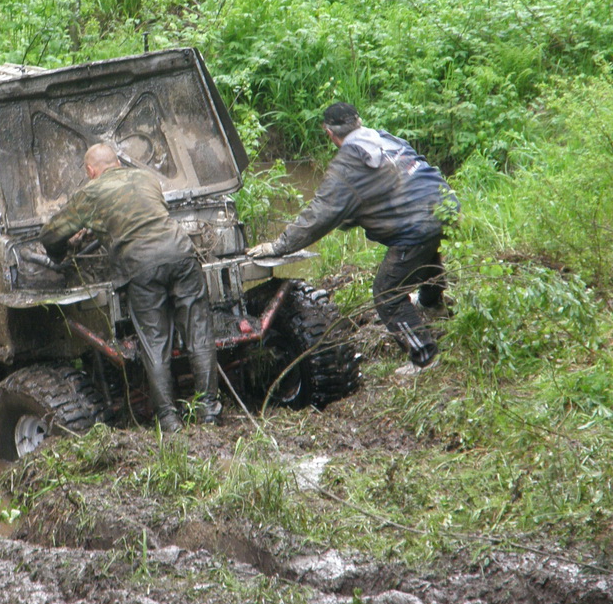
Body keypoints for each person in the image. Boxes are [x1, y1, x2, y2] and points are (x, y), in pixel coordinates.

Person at [248, 102, 459, 375]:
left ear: (328, 133)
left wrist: (278, 246)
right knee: (425, 250)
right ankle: (432, 303)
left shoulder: (348, 164)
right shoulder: (384, 137)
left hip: (417, 225)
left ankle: (425, 357)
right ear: (358, 121)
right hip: (446, 204)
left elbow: (318, 216)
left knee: (387, 293)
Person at [39, 143, 221, 431]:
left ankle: (170, 420)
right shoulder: (146, 177)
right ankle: (209, 411)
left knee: (155, 343)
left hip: (142, 266)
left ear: (90, 170)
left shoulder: (92, 192)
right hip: (182, 253)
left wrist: (68, 245)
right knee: (199, 334)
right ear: (118, 163)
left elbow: (50, 236)